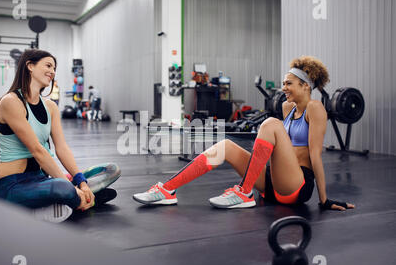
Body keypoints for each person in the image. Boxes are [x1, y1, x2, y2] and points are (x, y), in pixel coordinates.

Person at [133, 56, 354, 211]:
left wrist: (323, 200)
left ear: (305, 86)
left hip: (296, 188)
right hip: (271, 184)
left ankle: (244, 192)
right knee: (226, 146)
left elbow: (315, 156)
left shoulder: (315, 109)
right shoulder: (288, 108)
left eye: (289, 84)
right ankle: (167, 190)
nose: (283, 88)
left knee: (270, 123)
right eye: (283, 84)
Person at [0, 49, 120, 223]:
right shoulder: (11, 102)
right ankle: (85, 198)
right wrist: (69, 186)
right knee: (62, 187)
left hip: (41, 179)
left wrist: (81, 181)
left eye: (54, 68)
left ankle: (78, 194)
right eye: (48, 65)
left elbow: (61, 148)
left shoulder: (51, 107)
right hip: (13, 185)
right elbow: (38, 151)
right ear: (30, 66)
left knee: (112, 169)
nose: (52, 72)